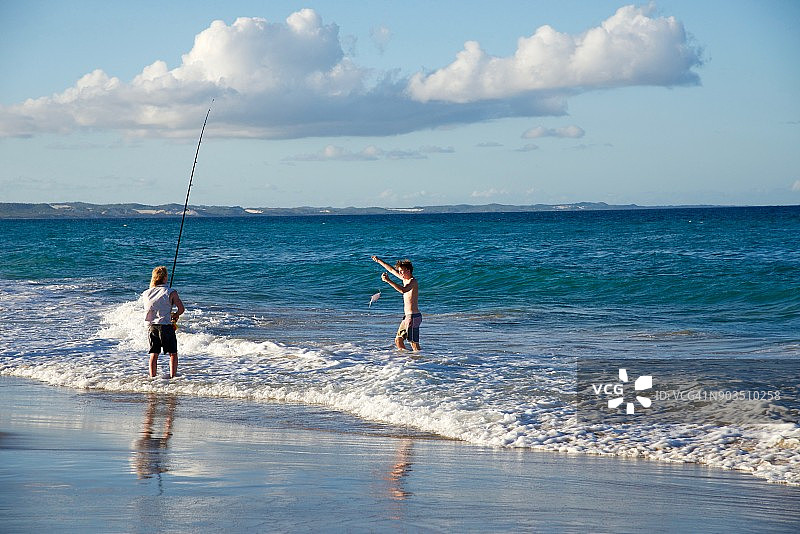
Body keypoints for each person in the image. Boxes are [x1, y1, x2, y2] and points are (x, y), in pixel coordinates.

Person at [142, 266, 185, 378]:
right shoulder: (171, 292)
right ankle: (173, 377)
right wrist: (176, 315)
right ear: (165, 277)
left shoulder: (146, 293)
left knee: (153, 354)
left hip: (152, 327)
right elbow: (181, 309)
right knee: (172, 354)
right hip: (166, 326)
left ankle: (152, 377)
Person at [372, 256, 421, 351]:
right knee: (398, 340)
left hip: (413, 317)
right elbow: (391, 269)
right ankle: (407, 360)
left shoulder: (412, 281)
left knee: (413, 343)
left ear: (408, 270)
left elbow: (404, 290)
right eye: (400, 271)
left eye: (402, 271)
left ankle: (422, 361)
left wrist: (388, 281)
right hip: (407, 317)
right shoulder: (404, 279)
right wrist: (378, 260)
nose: (400, 273)